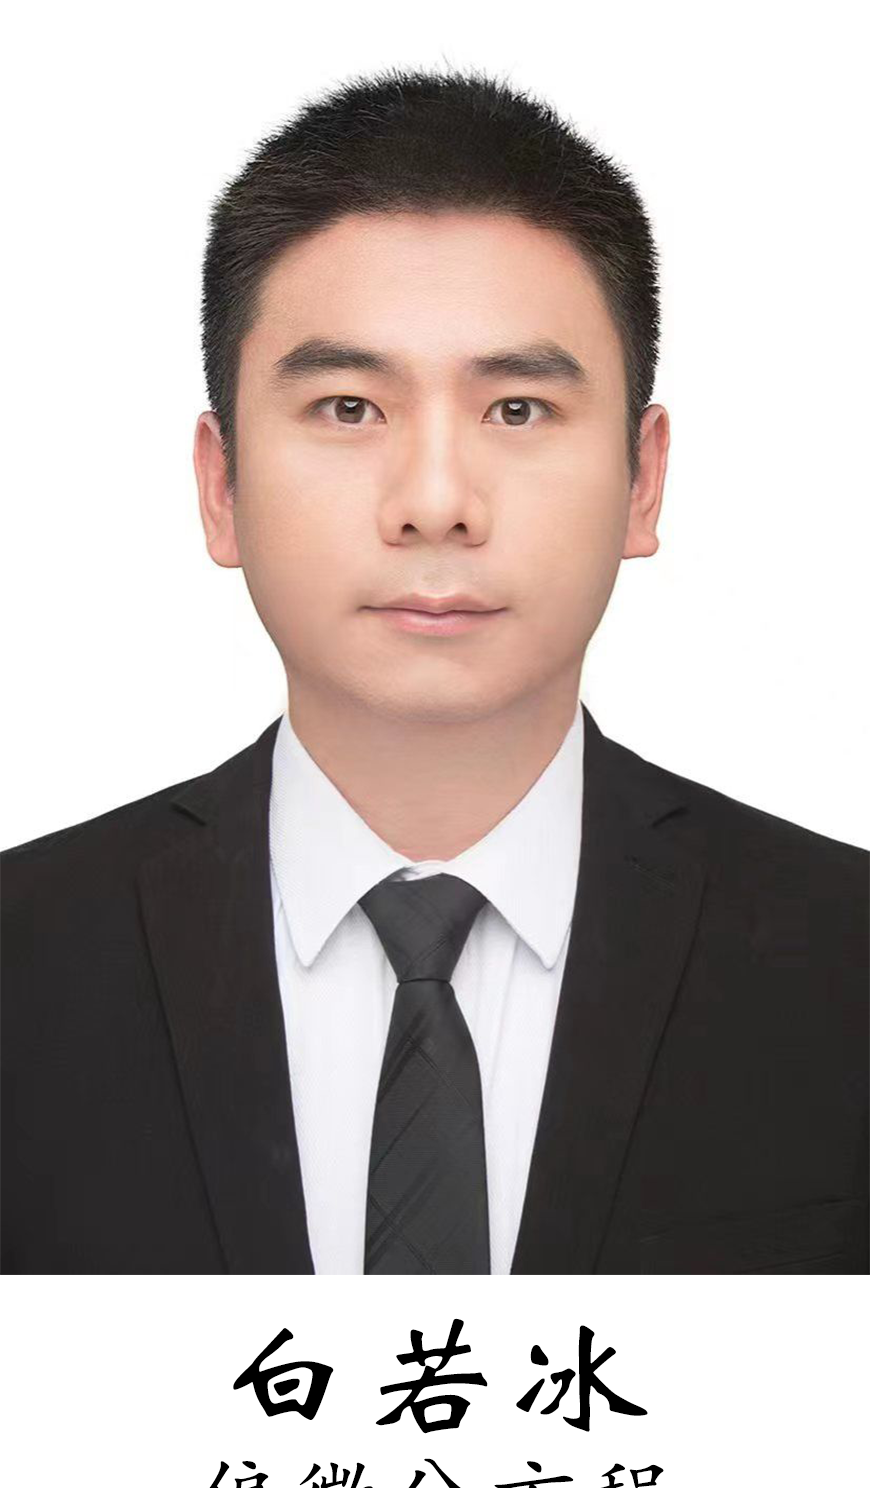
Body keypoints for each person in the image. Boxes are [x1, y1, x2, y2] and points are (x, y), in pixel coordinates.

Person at [2, 66, 866, 1276]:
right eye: (348, 408)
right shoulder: (27, 960)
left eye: (517, 410)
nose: (436, 502)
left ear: (643, 480)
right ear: (221, 486)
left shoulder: (842, 961)